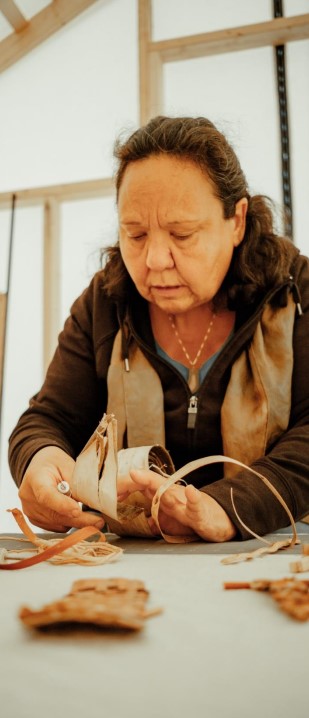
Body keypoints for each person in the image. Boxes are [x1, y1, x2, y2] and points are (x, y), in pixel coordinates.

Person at [8, 115, 309, 541]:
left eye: (182, 234)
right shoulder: (106, 303)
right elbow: (48, 418)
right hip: (138, 559)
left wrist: (230, 506)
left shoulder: (296, 294)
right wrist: (39, 458)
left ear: (237, 220)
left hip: (281, 547)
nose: (154, 260)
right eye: (135, 234)